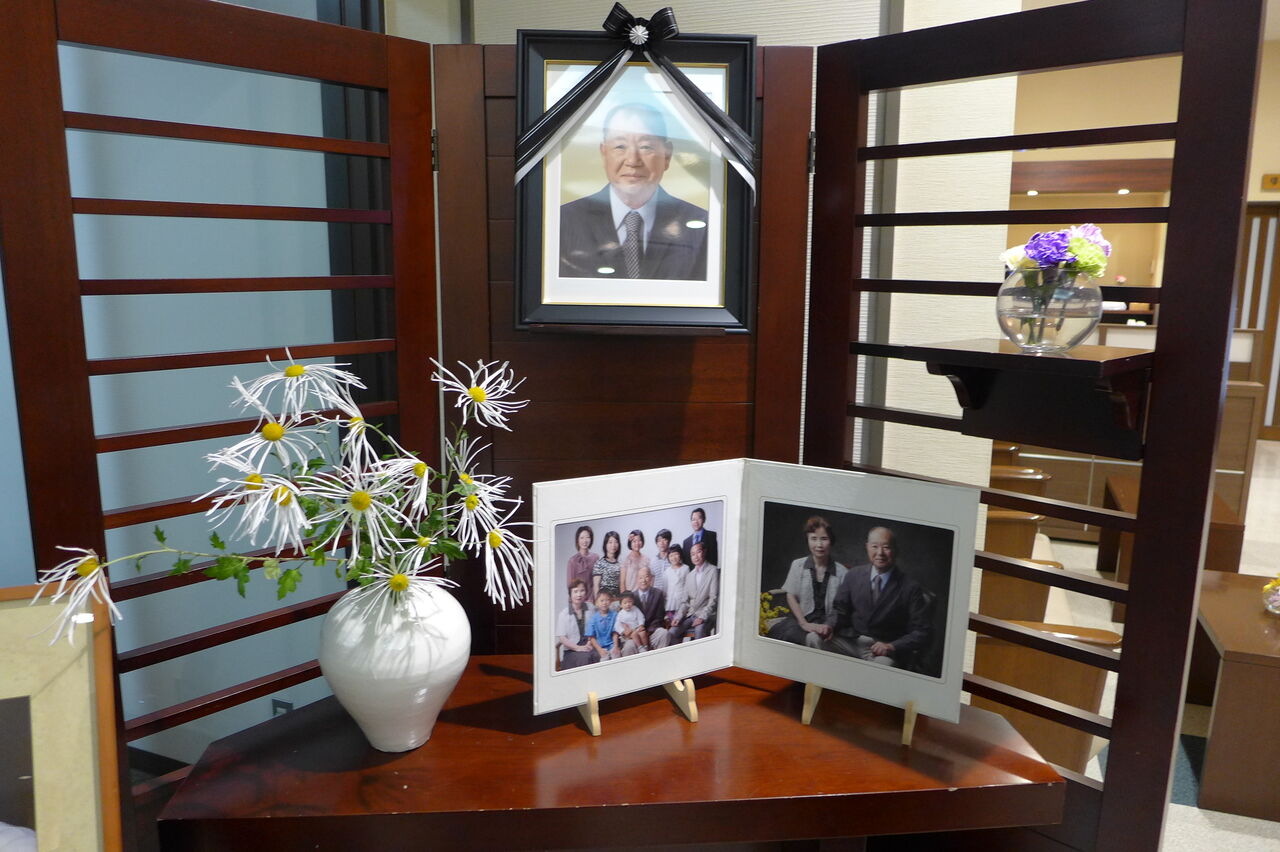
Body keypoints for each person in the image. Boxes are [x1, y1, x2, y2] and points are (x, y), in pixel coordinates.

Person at [559, 102, 708, 281]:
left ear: (667, 155)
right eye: (620, 146)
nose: (632, 161)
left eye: (646, 147)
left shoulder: (701, 225)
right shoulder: (563, 221)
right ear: (604, 153)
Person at [824, 526, 933, 668]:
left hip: (882, 651)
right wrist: (829, 625)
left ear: (895, 550)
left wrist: (891, 646)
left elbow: (922, 632)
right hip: (852, 641)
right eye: (875, 546)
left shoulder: (910, 587)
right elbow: (840, 610)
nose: (880, 553)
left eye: (886, 547)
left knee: (885, 665)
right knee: (814, 638)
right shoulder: (853, 575)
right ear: (867, 547)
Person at [766, 516, 849, 649]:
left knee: (818, 640)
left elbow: (841, 607)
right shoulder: (797, 565)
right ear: (808, 540)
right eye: (814, 539)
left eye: (824, 539)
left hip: (829, 626)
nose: (819, 545)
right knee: (794, 636)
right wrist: (804, 623)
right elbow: (791, 595)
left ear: (831, 541)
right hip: (800, 622)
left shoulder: (842, 572)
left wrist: (829, 626)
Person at [668, 541, 718, 642]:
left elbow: (714, 598)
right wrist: (678, 617)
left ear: (704, 552)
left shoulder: (713, 570)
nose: (695, 556)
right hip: (690, 615)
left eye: (698, 552)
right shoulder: (690, 575)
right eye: (692, 554)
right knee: (671, 633)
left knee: (699, 631)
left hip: (705, 614)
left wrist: (702, 617)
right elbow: (685, 602)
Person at [622, 565, 669, 655]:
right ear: (637, 579)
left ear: (651, 578)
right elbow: (625, 619)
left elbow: (659, 618)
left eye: (646, 577)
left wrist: (647, 631)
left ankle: (661, 660)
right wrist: (636, 631)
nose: (643, 580)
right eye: (640, 578)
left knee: (664, 633)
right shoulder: (631, 597)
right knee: (628, 647)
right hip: (637, 634)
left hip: (652, 631)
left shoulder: (658, 594)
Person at [556, 579, 598, 669]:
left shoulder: (591, 608)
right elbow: (562, 638)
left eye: (582, 591)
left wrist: (590, 643)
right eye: (575, 591)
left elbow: (596, 627)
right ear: (570, 594)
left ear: (586, 593)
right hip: (572, 650)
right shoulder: (563, 614)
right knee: (585, 658)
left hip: (591, 645)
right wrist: (578, 648)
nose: (579, 594)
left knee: (600, 655)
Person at [585, 589, 621, 660]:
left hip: (612, 644)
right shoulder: (593, 619)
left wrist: (616, 647)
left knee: (616, 656)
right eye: (602, 600)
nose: (604, 603)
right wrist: (600, 650)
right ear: (596, 603)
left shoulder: (614, 615)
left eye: (607, 600)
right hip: (600, 646)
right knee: (604, 659)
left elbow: (615, 633)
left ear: (610, 601)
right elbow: (591, 637)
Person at [661, 545, 690, 630]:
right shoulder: (667, 571)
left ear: (680, 555)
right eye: (671, 555)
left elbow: (687, 588)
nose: (673, 557)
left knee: (679, 625)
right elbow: (665, 589)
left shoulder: (685, 568)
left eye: (676, 554)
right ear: (668, 557)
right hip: (670, 604)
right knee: (671, 625)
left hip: (682, 602)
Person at [592, 530, 623, 600]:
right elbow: (596, 586)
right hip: (604, 600)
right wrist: (597, 601)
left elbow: (621, 584)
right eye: (610, 542)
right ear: (605, 544)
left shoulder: (620, 564)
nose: (613, 545)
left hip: (617, 600)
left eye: (616, 542)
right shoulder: (599, 563)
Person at [566, 525, 598, 592]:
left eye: (587, 537)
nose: (585, 541)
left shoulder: (595, 557)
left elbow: (597, 581)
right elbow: (570, 585)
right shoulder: (572, 561)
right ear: (577, 540)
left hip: (593, 596)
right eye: (582, 538)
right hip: (579, 596)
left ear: (591, 539)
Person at [620, 529, 649, 595]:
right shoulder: (625, 560)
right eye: (634, 541)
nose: (637, 543)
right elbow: (622, 582)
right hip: (629, 596)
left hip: (643, 596)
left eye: (639, 540)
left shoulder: (647, 559)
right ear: (630, 543)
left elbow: (649, 579)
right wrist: (624, 598)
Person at [650, 528, 672, 595]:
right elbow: (652, 579)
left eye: (664, 540)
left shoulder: (673, 559)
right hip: (656, 596)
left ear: (669, 541)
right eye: (659, 540)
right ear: (656, 543)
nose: (662, 543)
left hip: (670, 595)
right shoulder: (653, 561)